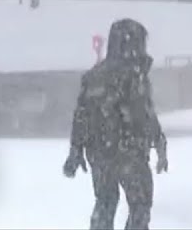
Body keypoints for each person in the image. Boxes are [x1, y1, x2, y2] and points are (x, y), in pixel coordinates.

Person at [63, 18, 168, 230]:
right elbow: (144, 114)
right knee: (140, 204)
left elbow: (81, 114)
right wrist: (158, 143)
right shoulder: (134, 74)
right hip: (129, 152)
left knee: (105, 200)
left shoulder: (94, 76)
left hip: (99, 153)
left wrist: (76, 150)